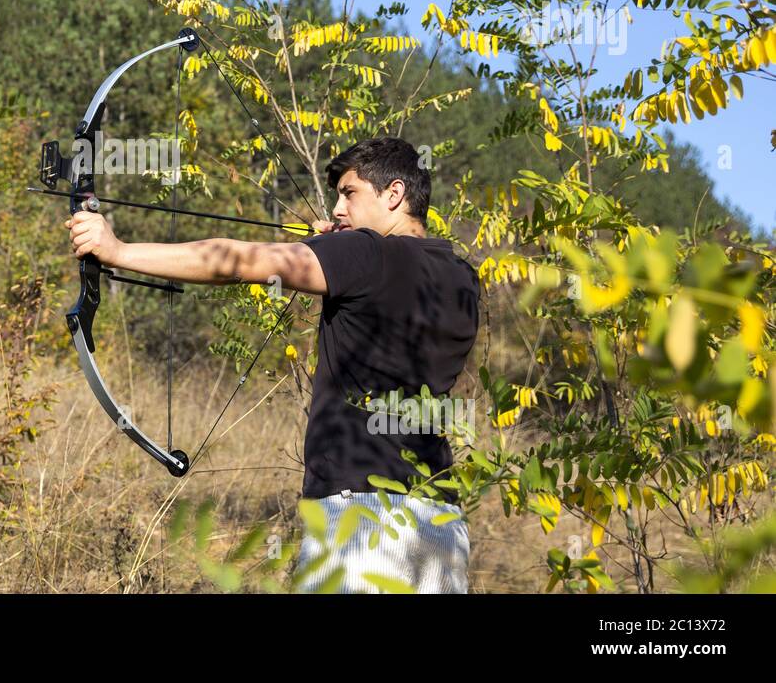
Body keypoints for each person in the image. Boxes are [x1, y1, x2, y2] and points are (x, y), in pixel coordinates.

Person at [65, 136, 480, 593]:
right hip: (440, 524)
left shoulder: (366, 254)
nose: (338, 209)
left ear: (394, 194)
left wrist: (118, 250)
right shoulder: (463, 277)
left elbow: (239, 262)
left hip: (363, 519)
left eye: (350, 193)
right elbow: (385, 310)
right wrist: (340, 255)